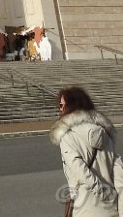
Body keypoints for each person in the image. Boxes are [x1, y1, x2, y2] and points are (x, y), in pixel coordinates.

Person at [50, 86, 123, 216]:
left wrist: (103, 194)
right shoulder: (105, 135)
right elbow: (119, 174)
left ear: (71, 107)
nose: (59, 109)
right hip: (111, 209)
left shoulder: (68, 136)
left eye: (61, 105)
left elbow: (80, 171)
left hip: (85, 208)